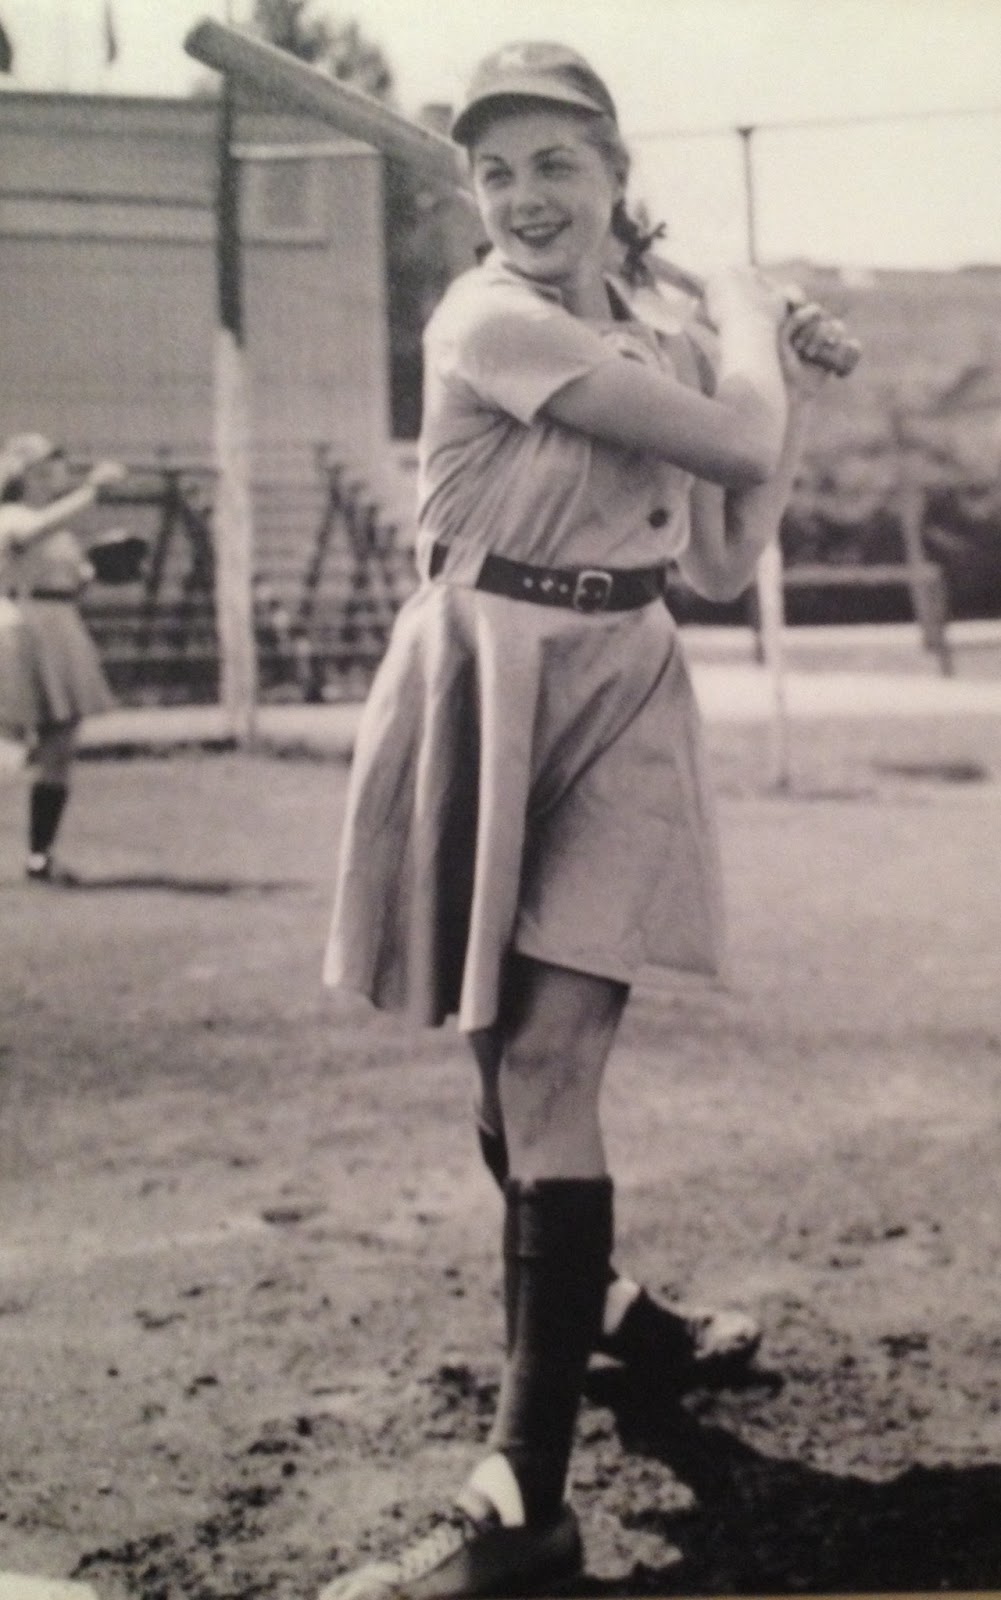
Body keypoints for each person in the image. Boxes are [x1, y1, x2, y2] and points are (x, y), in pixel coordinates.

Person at [321, 39, 839, 1600]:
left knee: (550, 1059)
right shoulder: (484, 314)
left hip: (618, 691)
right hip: (479, 673)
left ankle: (522, 1492)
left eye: (557, 164)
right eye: (496, 170)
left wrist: (770, 374)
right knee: (504, 1061)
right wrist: (751, 327)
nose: (522, 197)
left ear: (618, 178)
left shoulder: (663, 340)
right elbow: (731, 435)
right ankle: (612, 1317)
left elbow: (726, 551)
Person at [0, 432, 124, 880]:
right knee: (9, 737)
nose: (61, 468)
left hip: (59, 622)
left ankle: (40, 854)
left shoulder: (57, 525)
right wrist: (91, 493)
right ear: (29, 470)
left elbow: (75, 578)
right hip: (17, 621)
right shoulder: (12, 514)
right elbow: (26, 536)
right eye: (54, 461)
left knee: (61, 739)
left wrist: (98, 569)